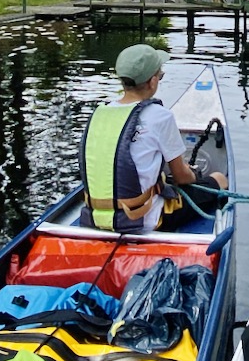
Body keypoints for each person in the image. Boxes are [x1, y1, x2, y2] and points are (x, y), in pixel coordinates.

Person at [80, 44, 228, 233]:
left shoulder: (99, 114)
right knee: (219, 179)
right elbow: (182, 177)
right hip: (145, 219)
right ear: (152, 82)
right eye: (160, 75)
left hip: (94, 218)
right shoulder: (160, 116)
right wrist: (195, 176)